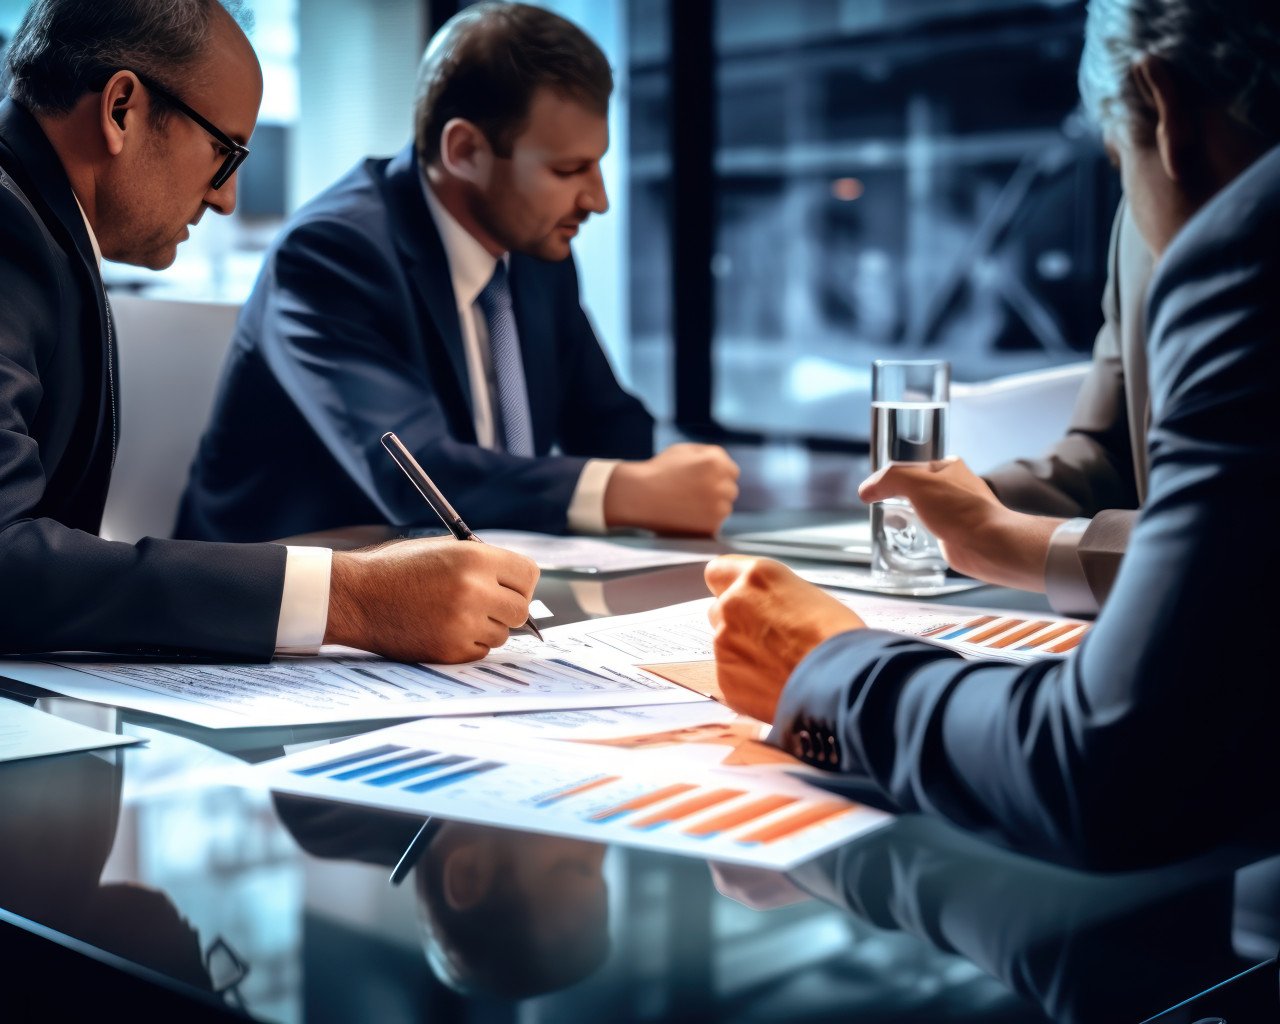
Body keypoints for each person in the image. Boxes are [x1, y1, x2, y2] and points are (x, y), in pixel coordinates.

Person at [706, 0, 1280, 870]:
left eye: (1119, 162)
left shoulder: (1244, 249)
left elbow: (1105, 769)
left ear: (1163, 110)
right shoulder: (1178, 228)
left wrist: (828, 664)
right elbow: (1128, 463)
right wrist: (971, 513)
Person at [0, 0, 537, 663]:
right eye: (225, 152)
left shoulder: (39, 228)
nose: (226, 198)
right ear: (121, 110)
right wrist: (352, 597)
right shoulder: (9, 230)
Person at [175, 1, 740, 546]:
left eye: (597, 164)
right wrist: (622, 492)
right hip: (287, 609)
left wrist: (674, 474)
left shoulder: (537, 253)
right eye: (569, 169)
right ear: (465, 150)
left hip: (467, 593)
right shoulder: (333, 251)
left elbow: (609, 423)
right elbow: (413, 475)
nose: (597, 199)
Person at [978, 202, 1153, 616]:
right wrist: (985, 496)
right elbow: (1108, 449)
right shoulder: (1133, 219)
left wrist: (1022, 542)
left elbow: (1232, 537)